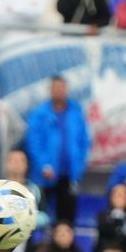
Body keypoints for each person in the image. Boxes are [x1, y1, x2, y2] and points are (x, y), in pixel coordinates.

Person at [27, 76, 90, 224]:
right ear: (50, 90)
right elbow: (34, 142)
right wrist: (44, 165)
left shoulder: (76, 112)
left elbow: (84, 141)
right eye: (55, 88)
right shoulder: (39, 114)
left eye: (62, 88)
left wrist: (79, 164)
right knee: (39, 218)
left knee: (67, 219)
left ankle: (64, 245)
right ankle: (39, 246)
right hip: (45, 176)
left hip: (70, 175)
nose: (59, 91)